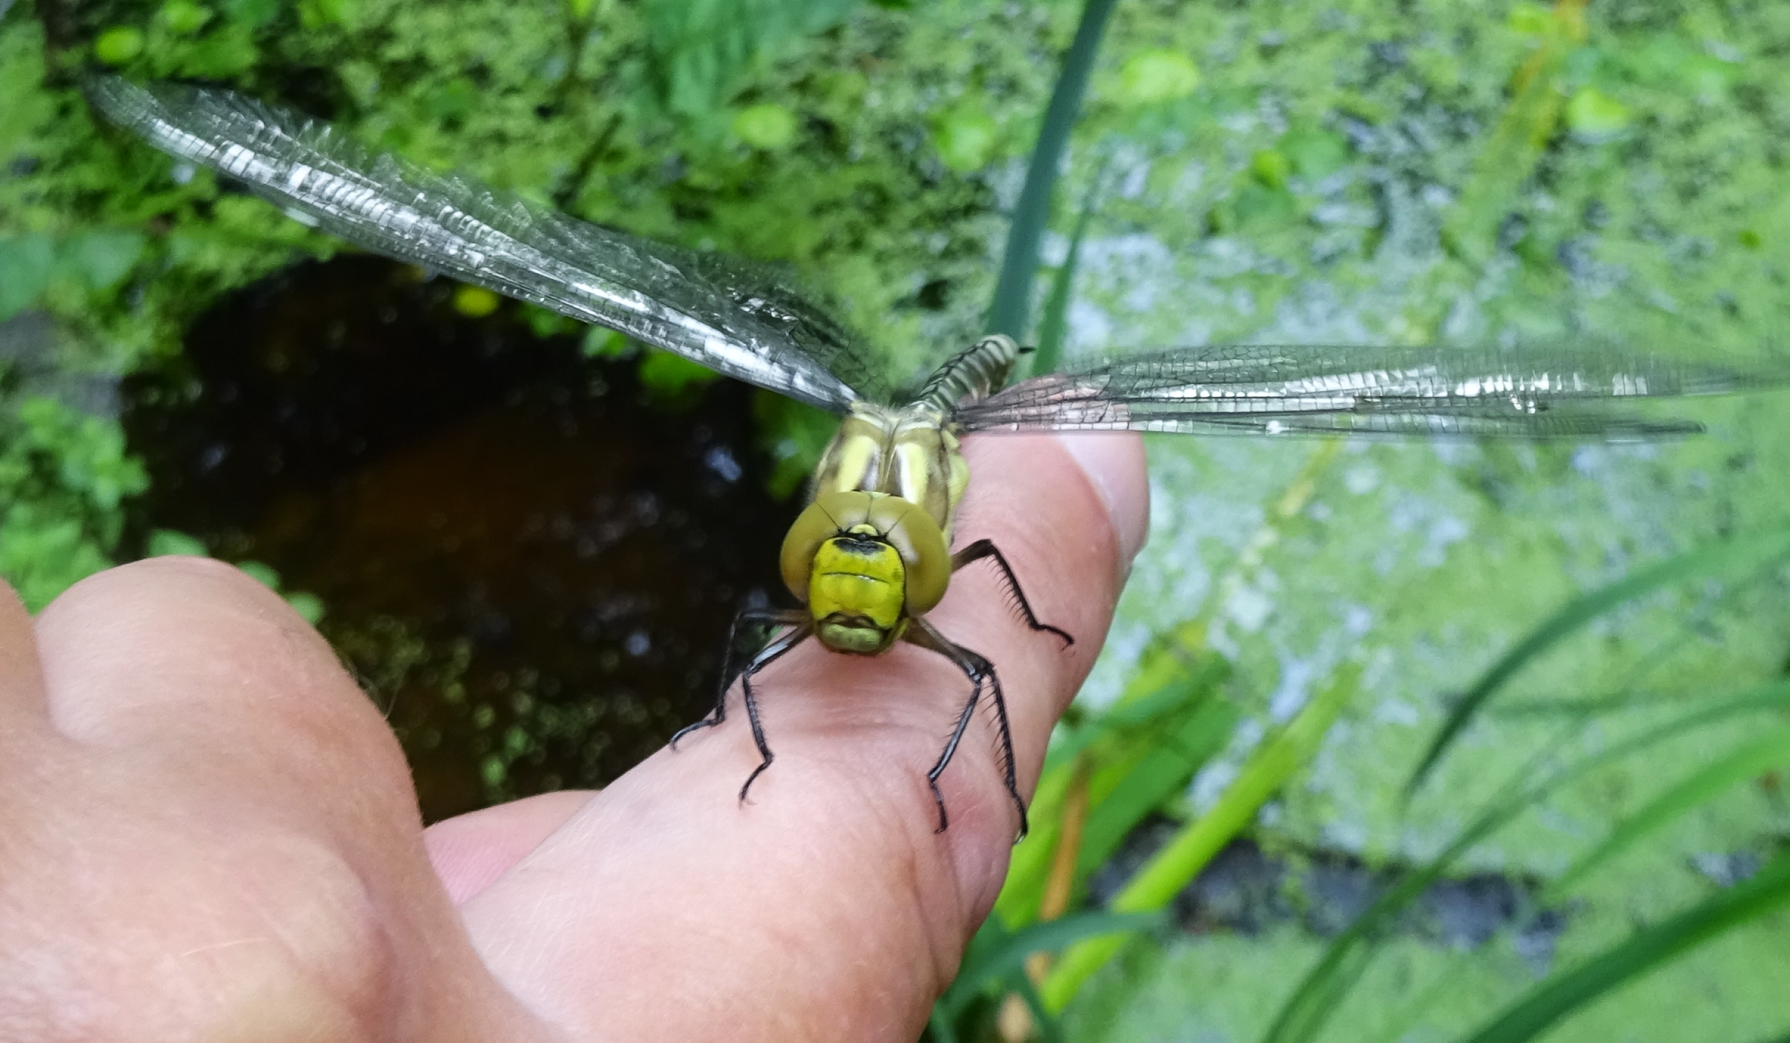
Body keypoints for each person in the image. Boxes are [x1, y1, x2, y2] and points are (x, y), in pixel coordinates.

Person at [0, 433, 1147, 1042]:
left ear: (926, 552)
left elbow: (983, 682)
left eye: (884, 568)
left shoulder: (948, 565)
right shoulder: (798, 589)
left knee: (990, 662)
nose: (842, 592)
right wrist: (732, 726)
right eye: (821, 563)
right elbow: (752, 641)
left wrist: (959, 785)